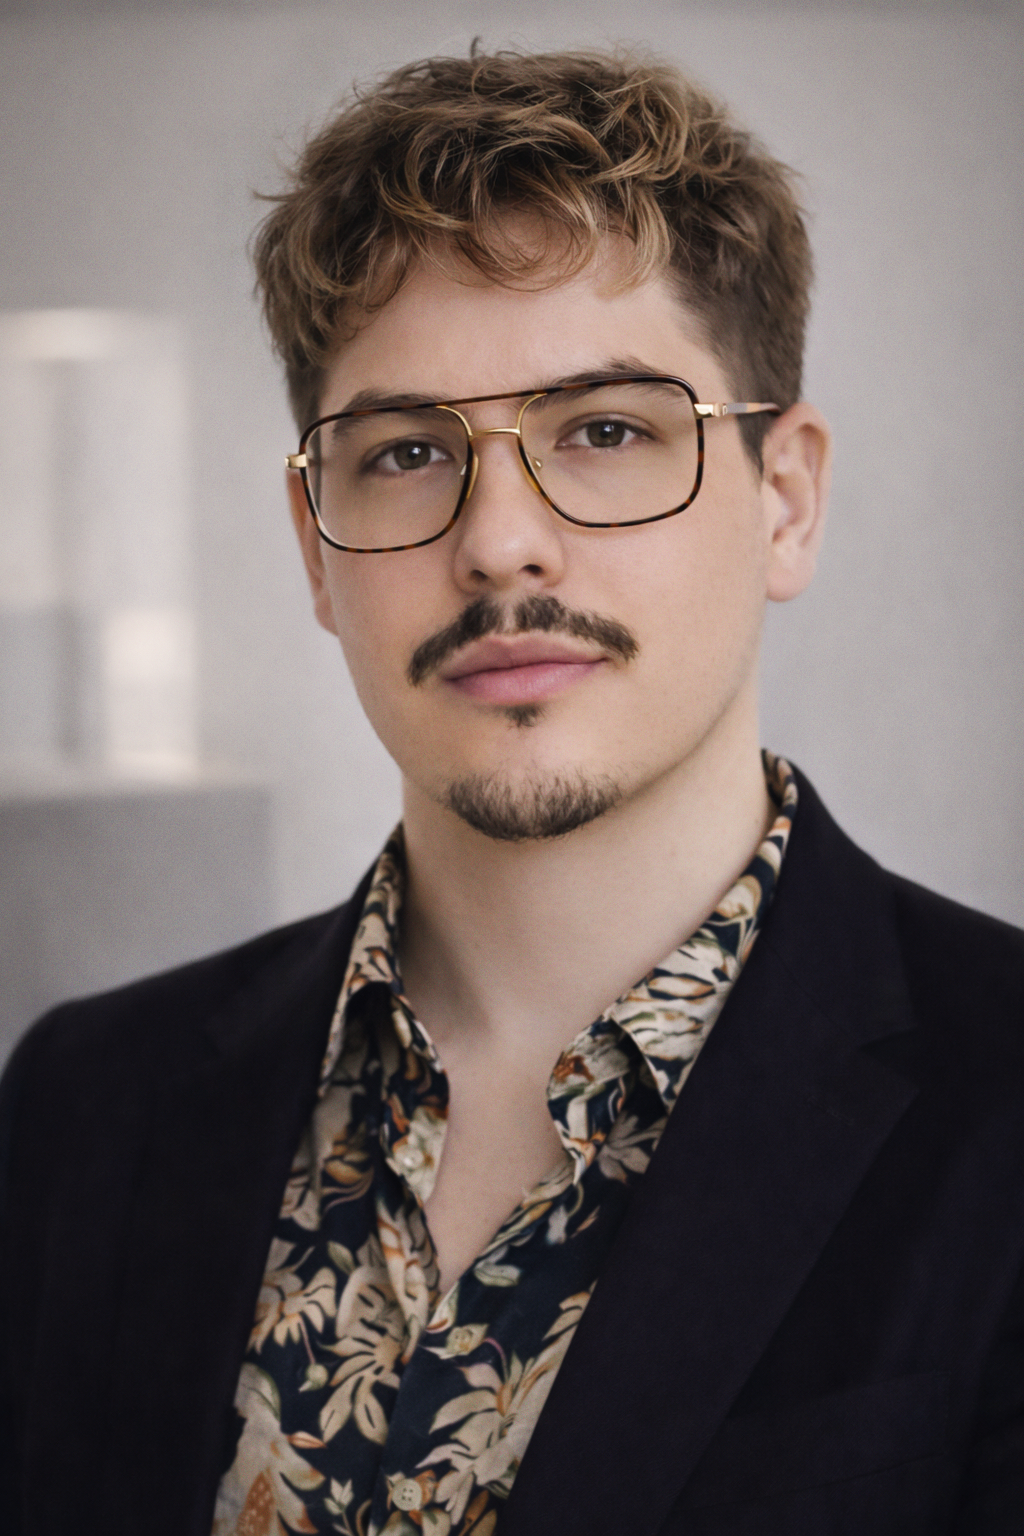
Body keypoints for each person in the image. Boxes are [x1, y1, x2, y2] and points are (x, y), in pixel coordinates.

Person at [1, 46, 1022, 1536]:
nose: (500, 543)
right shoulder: (82, 1108)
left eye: (605, 430)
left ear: (785, 499)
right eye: (408, 452)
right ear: (314, 544)